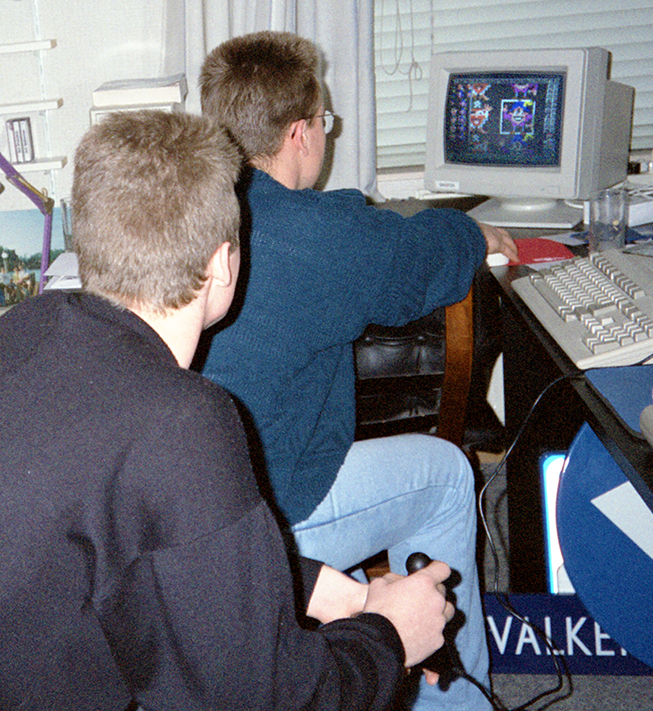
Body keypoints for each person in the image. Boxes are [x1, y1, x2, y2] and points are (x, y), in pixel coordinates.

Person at [0, 110, 455, 710]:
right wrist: (391, 636)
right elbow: (269, 700)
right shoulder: (182, 419)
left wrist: (324, 589)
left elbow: (135, 549)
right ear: (221, 264)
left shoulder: (29, 327)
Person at [198, 31, 518, 710]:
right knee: (445, 473)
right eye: (324, 121)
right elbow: (420, 264)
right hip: (272, 524)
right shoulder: (318, 234)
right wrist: (473, 232)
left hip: (197, 507)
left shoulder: (194, 212)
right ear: (299, 133)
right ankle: (455, 700)